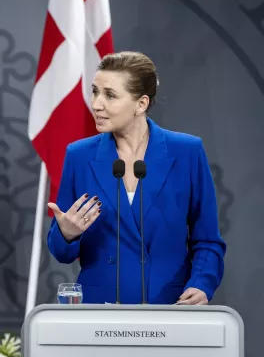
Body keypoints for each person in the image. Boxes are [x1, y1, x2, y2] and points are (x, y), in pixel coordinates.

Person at [47, 51, 225, 305]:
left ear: (141, 103)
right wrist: (67, 234)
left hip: (169, 304)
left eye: (109, 95)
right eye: (95, 91)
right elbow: (62, 253)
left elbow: (207, 239)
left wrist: (202, 284)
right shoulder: (78, 155)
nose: (96, 104)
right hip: (99, 308)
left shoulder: (186, 152)